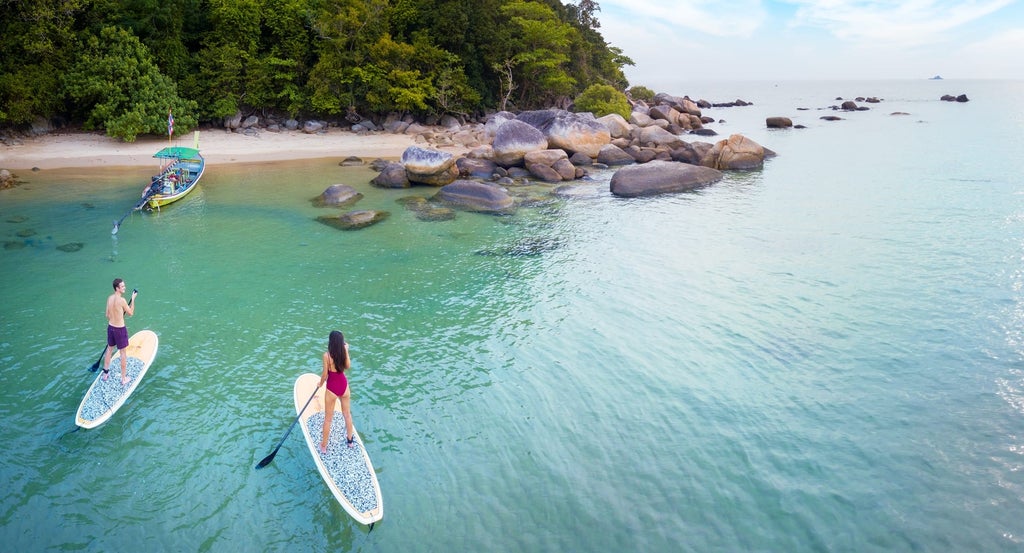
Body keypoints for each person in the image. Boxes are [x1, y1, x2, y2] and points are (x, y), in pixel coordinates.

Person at [317, 330, 354, 453]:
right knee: (347, 414)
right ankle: (350, 441)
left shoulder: (326, 356)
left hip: (332, 387)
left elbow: (324, 374)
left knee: (328, 419)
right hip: (344, 385)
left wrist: (320, 384)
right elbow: (347, 366)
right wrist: (347, 350)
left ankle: (323, 446)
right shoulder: (344, 352)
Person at [103, 278, 137, 385]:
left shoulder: (109, 298)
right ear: (117, 288)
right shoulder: (122, 301)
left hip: (111, 327)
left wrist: (115, 316)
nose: (124, 288)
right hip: (120, 330)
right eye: (122, 286)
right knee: (123, 353)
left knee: (109, 349)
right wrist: (133, 299)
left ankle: (105, 374)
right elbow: (131, 313)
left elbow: (107, 315)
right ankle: (123, 379)